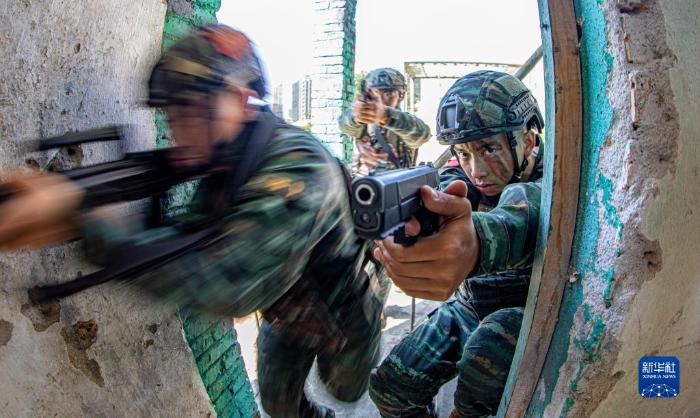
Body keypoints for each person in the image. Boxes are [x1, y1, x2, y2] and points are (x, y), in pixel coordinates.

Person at [0, 25, 381, 418]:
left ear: (240, 100)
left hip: (343, 315)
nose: (180, 128)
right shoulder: (227, 165)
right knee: (280, 404)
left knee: (347, 390)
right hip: (286, 312)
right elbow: (191, 241)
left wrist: (84, 220)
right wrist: (76, 213)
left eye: (194, 109)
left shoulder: (300, 162)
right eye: (172, 113)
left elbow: (233, 281)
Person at [368, 70, 544, 418]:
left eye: (489, 148)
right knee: (389, 388)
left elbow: (518, 218)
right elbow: (448, 184)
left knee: (491, 343)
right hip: (469, 308)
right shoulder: (465, 176)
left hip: (526, 313)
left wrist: (471, 243)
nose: (476, 169)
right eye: (463, 152)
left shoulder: (551, 181)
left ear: (527, 139)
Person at [339, 68, 431, 177]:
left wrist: (386, 115)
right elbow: (344, 123)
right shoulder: (364, 122)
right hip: (366, 183)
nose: (380, 100)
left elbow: (423, 134)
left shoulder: (404, 122)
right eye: (373, 94)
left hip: (398, 182)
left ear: (401, 95)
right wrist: (356, 116)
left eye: (387, 93)